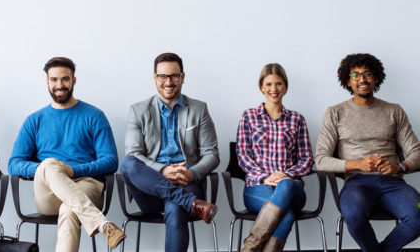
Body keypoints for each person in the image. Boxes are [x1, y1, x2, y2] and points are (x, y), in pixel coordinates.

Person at [8, 56, 125, 252]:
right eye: (54, 80)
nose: (59, 85)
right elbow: (14, 163)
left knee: (70, 209)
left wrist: (73, 170)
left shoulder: (94, 116)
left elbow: (111, 160)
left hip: (87, 185)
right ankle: (102, 223)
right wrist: (45, 169)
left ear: (74, 81)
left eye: (65, 79)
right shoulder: (34, 120)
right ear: (47, 82)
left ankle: (102, 225)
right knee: (49, 163)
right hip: (48, 193)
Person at [316, 53, 420, 252]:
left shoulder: (394, 111)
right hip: (357, 183)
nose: (362, 79)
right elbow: (320, 160)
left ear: (377, 78)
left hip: (393, 183)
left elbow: (416, 152)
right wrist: (357, 164)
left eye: (367, 74)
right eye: (355, 75)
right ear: (348, 81)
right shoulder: (335, 112)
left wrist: (399, 166)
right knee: (353, 216)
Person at [119, 52, 219, 252]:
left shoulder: (199, 109)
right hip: (149, 191)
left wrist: (191, 173)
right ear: (155, 78)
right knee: (127, 163)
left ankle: (185, 200)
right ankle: (191, 203)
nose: (168, 82)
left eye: (174, 76)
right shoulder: (138, 110)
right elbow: (134, 154)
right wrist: (163, 171)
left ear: (182, 77)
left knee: (174, 206)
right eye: (162, 76)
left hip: (187, 182)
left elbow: (212, 154)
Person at [236, 63, 314, 252]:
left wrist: (284, 174)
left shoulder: (297, 119)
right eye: (269, 84)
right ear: (261, 86)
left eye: (278, 84)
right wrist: (265, 177)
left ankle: (250, 248)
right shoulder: (249, 117)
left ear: (285, 86)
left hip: (292, 188)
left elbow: (307, 159)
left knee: (285, 185)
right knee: (285, 215)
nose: (274, 89)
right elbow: (243, 156)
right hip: (257, 187)